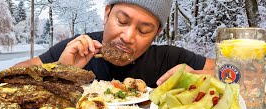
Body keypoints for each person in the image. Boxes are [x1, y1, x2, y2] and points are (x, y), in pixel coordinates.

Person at [14, 0, 215, 88]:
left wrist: (199, 77)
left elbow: (240, 74)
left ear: (156, 34)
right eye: (122, 21)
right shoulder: (78, 48)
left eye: (144, 30)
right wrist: (59, 71)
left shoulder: (171, 59)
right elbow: (8, 78)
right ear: (107, 13)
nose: (128, 36)